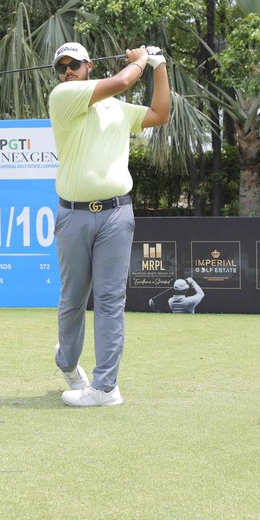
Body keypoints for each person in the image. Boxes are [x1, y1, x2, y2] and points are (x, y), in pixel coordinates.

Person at [49, 41, 170, 407]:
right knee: (73, 299)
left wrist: (160, 67)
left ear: (89, 65)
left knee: (109, 301)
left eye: (73, 65)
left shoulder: (117, 110)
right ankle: (68, 363)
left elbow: (160, 113)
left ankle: (105, 388)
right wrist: (142, 61)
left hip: (117, 214)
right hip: (73, 214)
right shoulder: (63, 96)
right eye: (61, 66)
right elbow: (120, 81)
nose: (67, 71)